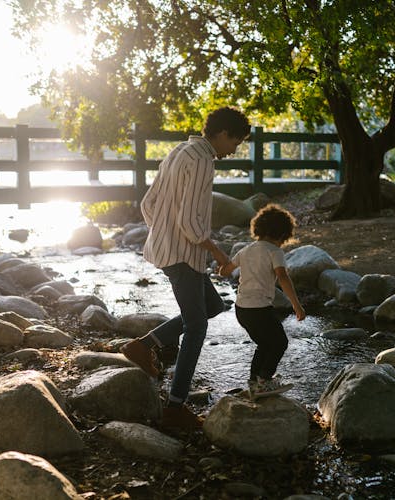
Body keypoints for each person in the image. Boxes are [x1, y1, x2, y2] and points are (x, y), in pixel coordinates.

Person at [121, 106, 250, 429]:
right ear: (222, 134)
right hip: (183, 253)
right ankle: (176, 406)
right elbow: (191, 223)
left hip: (168, 249)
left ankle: (143, 345)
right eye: (235, 142)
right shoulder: (202, 159)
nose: (234, 150)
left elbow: (148, 204)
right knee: (196, 326)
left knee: (212, 305)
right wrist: (219, 254)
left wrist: (161, 233)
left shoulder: (180, 150)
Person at [219, 204, 305, 400]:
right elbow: (282, 276)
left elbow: (226, 270)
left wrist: (221, 268)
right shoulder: (274, 252)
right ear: (283, 233)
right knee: (279, 343)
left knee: (264, 344)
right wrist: (296, 305)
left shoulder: (246, 250)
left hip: (241, 310)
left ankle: (253, 383)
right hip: (259, 310)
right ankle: (264, 382)